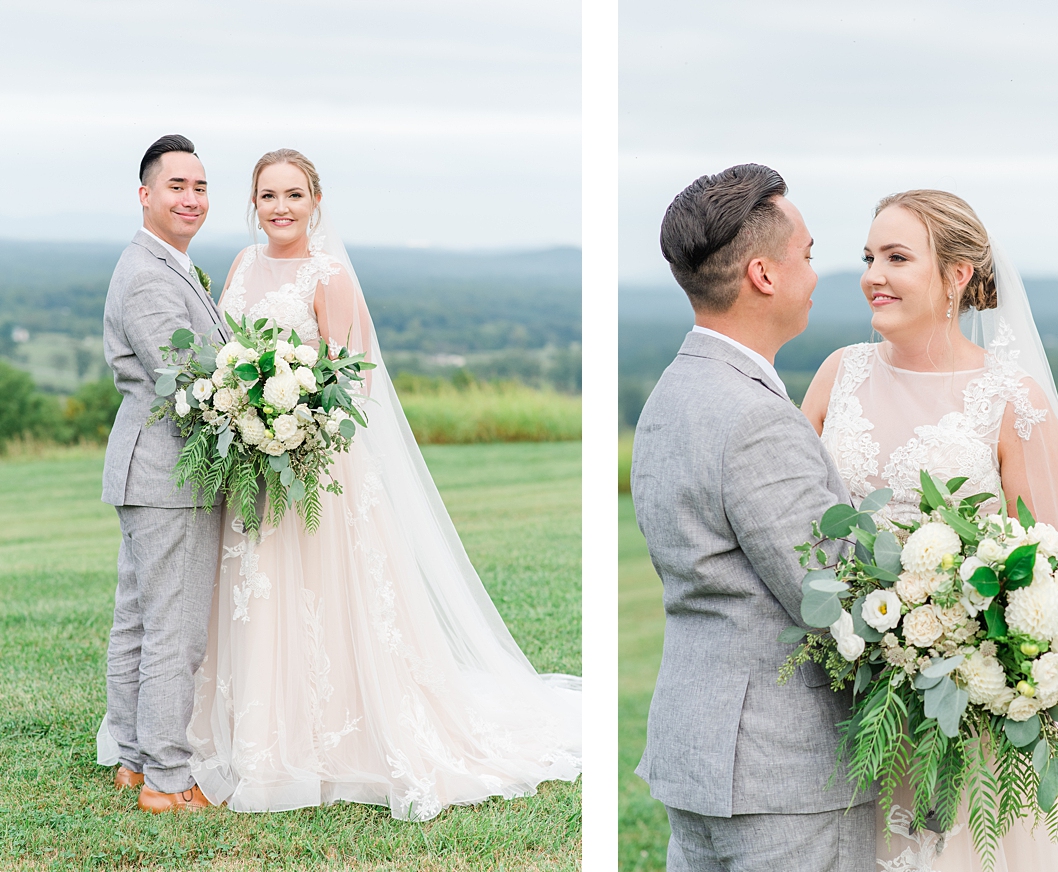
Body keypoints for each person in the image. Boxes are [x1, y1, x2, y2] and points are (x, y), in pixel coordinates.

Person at [803, 189, 1058, 870]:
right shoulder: (839, 373)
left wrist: (974, 649)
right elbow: (794, 518)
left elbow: (1051, 573)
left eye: (898, 256)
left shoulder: (1011, 397)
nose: (874, 274)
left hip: (971, 716)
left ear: (958, 274)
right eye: (869, 256)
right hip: (843, 699)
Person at [185, 149, 581, 819]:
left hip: (315, 464)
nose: (280, 206)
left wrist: (296, 417)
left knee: (318, 593)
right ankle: (254, 727)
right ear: (252, 204)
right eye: (267, 195)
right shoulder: (242, 265)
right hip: (250, 463)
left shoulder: (329, 275)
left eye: (293, 194)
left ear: (315, 201)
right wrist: (239, 407)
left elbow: (354, 376)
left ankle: (330, 731)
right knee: (255, 591)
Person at [630, 164, 877, 872]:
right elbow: (833, 593)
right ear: (764, 275)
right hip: (784, 774)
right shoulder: (755, 419)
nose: (816, 274)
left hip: (703, 754)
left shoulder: (671, 394)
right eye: (806, 255)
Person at [100, 134, 230, 812]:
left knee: (142, 623)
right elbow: (187, 387)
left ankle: (130, 761)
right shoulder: (150, 272)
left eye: (200, 187)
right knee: (174, 631)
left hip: (149, 474)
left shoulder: (167, 263)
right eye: (176, 186)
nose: (190, 198)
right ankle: (169, 779)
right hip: (167, 477)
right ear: (146, 195)